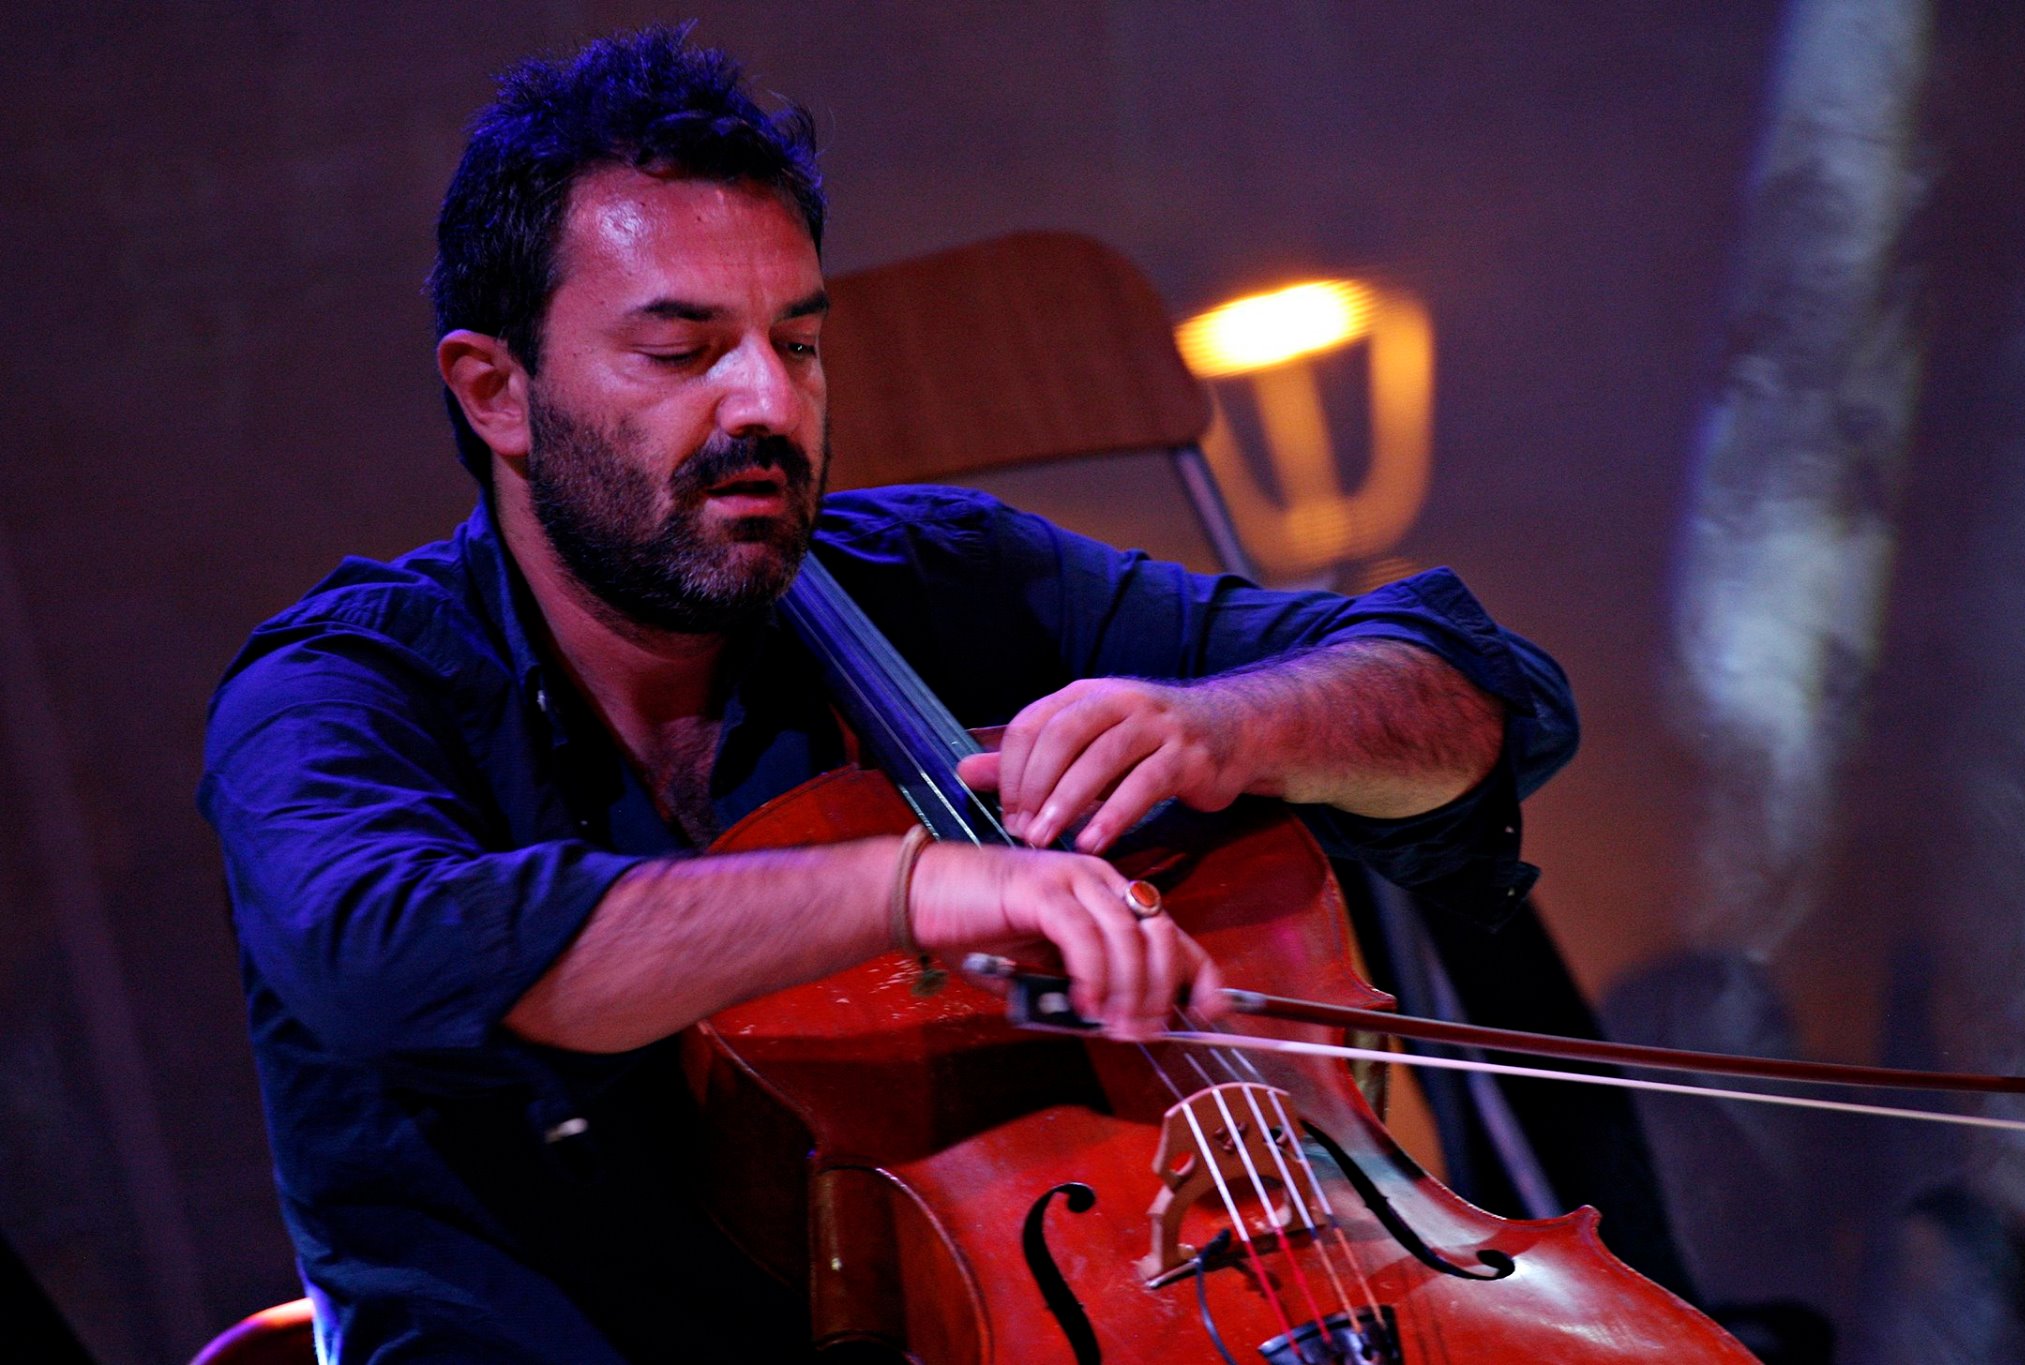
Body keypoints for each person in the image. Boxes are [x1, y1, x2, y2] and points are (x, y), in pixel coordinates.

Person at [199, 26, 1577, 1363]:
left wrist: (1238, 725)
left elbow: (1479, 690)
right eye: (681, 353)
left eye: (798, 343)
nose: (766, 404)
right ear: (496, 390)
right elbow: (388, 945)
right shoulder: (342, 689)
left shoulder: (942, 577)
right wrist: (914, 886)